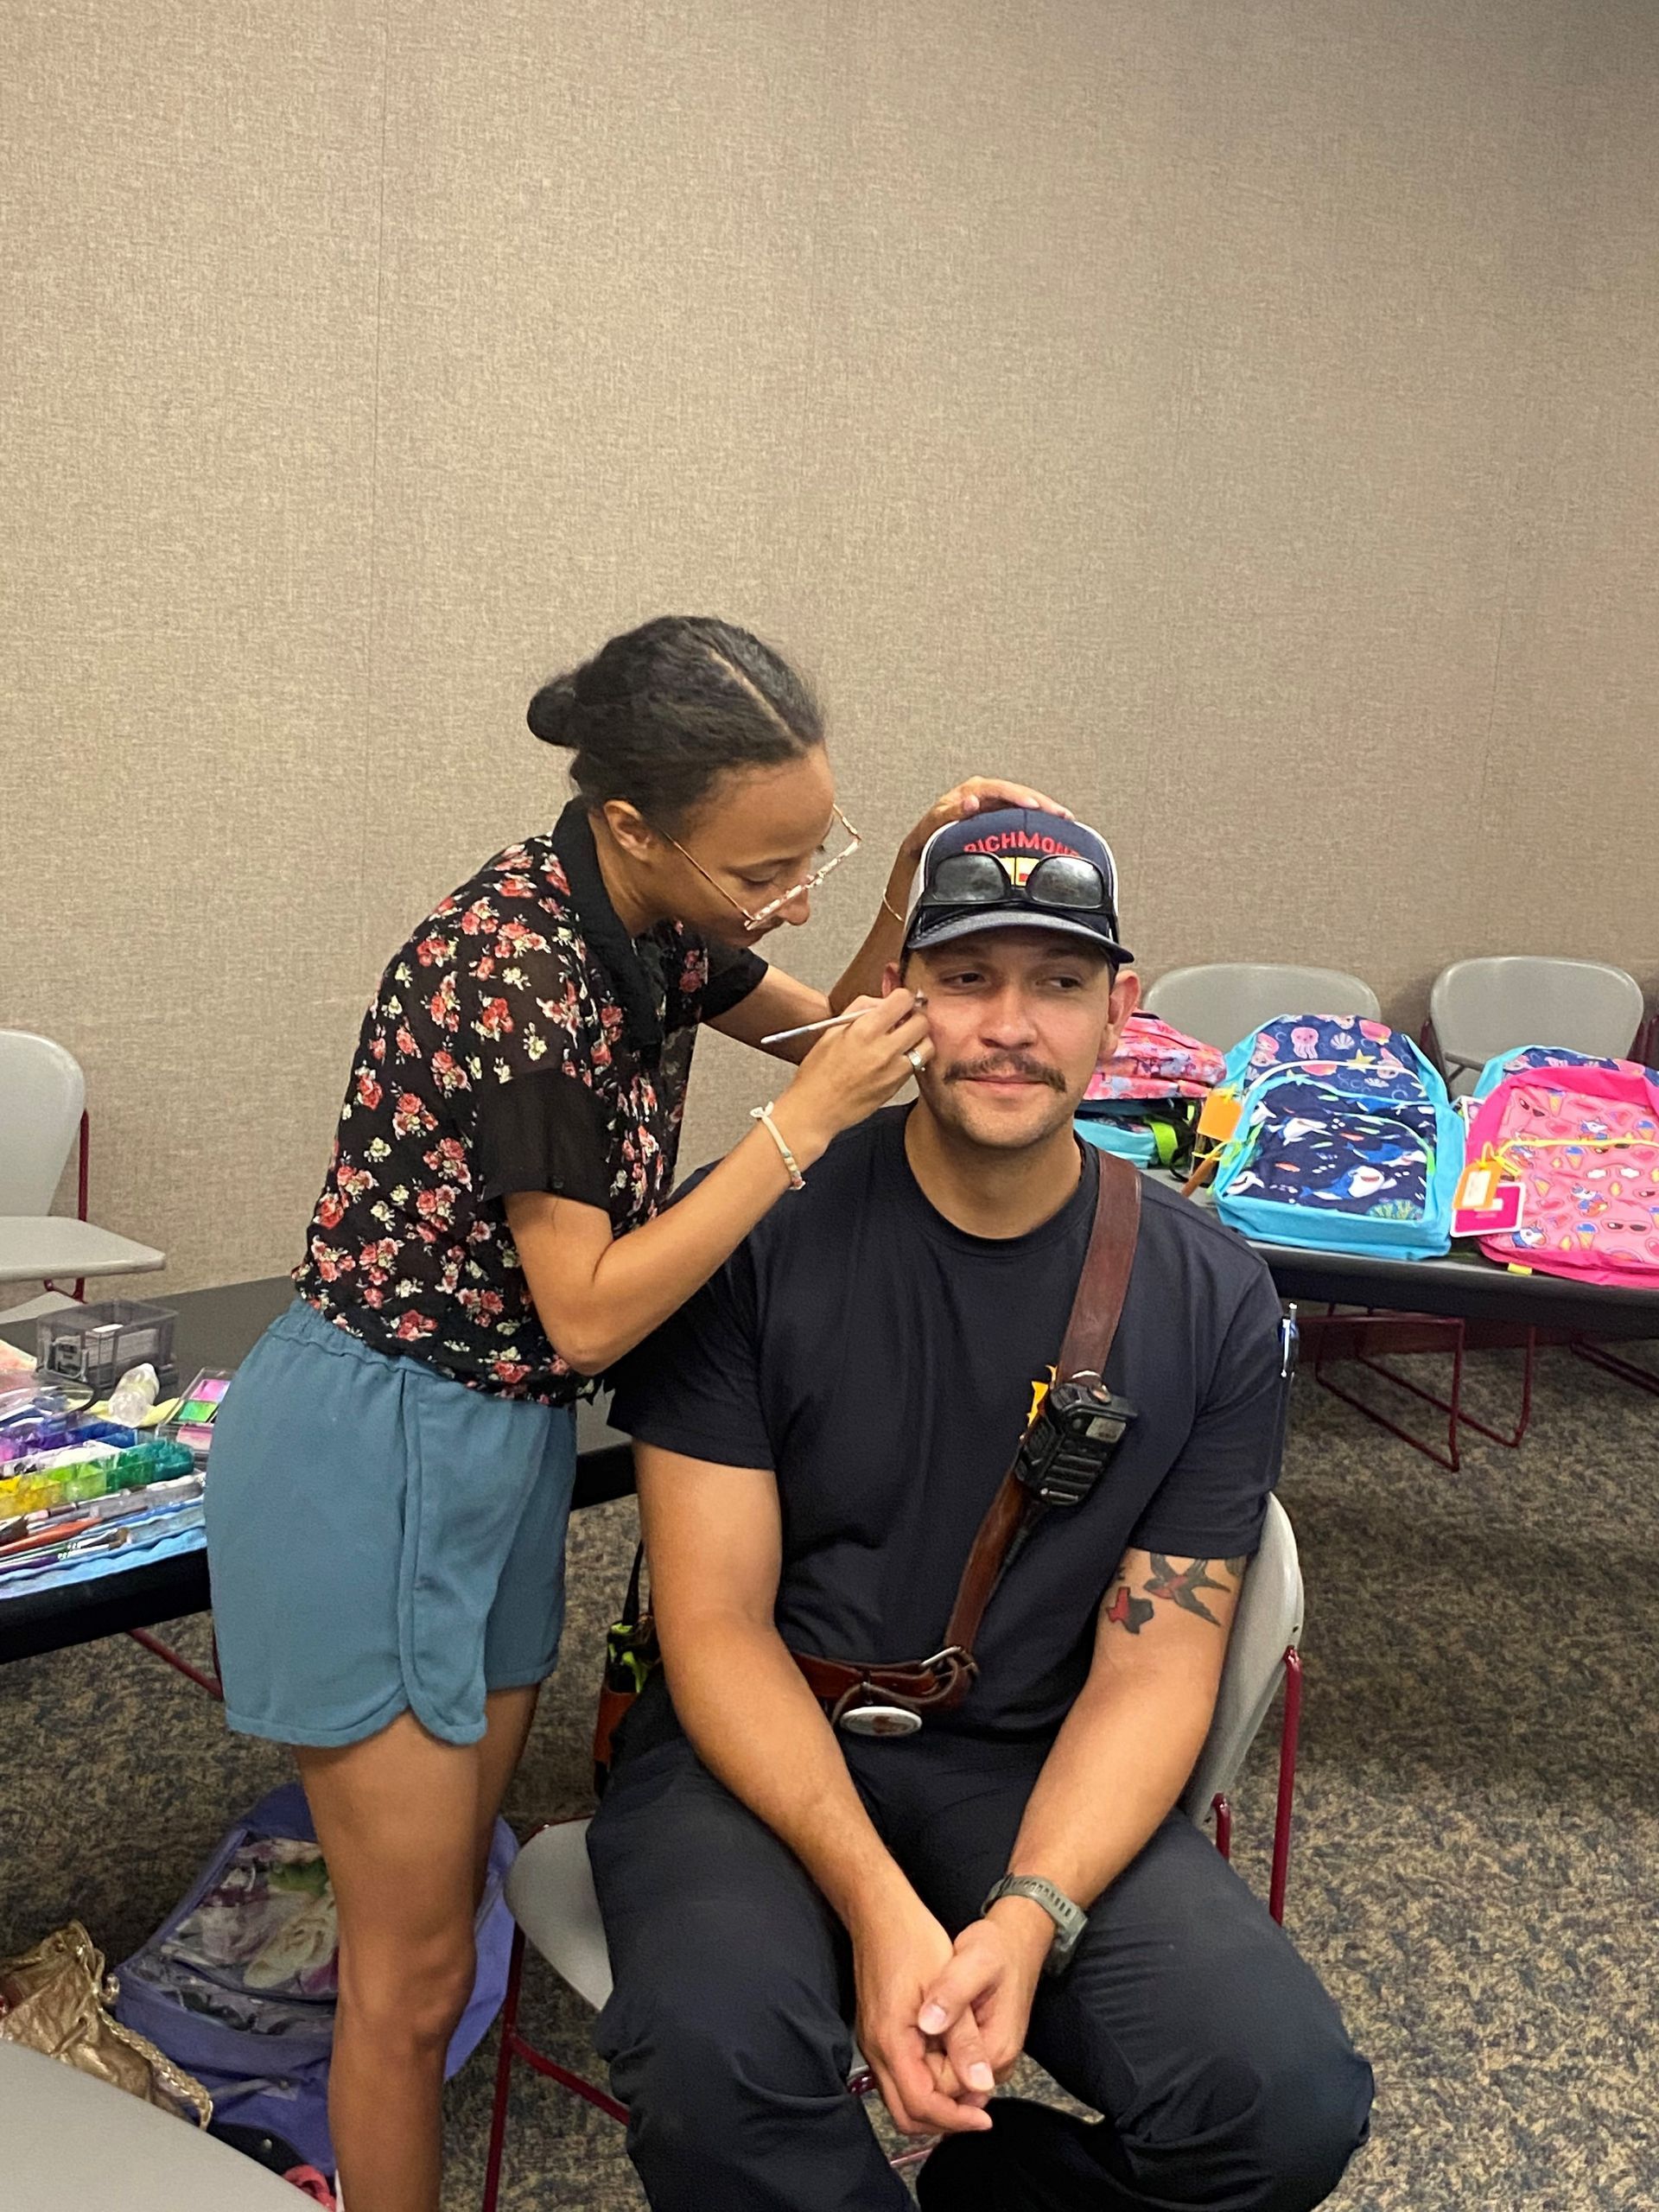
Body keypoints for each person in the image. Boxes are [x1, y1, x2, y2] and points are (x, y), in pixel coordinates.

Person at [203, 613, 1064, 2212]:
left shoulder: (647, 922)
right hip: (375, 1445)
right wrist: (795, 1136)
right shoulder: (513, 974)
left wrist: (902, 897)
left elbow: (828, 1035)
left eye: (814, 855)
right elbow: (589, 1305)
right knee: (399, 1982)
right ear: (634, 828)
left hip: (505, 1440)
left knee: (447, 1917)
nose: (781, 898)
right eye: (763, 873)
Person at [592, 804, 1376, 2212]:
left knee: (1282, 2098)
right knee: (715, 2065)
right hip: (752, 1740)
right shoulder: (754, 1231)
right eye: (966, 979)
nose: (1010, 1025)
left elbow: (1155, 1670)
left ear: (1118, 1010)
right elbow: (709, 1624)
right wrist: (882, 1911)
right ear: (904, 998)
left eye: (1059, 983)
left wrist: (1029, 1914)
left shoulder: (1209, 1296)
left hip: (1020, 1758)